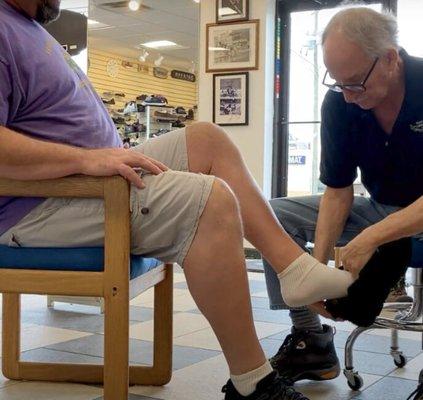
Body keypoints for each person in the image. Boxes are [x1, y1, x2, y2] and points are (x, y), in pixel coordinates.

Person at [0, 1, 356, 399]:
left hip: (91, 180)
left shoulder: (28, 27)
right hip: (40, 206)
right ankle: (253, 384)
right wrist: (88, 158)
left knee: (206, 138)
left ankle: (294, 270)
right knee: (209, 201)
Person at [262, 6, 423, 385]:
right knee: (273, 214)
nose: (348, 96)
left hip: (406, 217)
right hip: (381, 209)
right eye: (338, 83)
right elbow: (337, 190)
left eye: (355, 83)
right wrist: (314, 272)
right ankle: (311, 340)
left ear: (389, 58)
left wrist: (371, 237)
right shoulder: (341, 102)